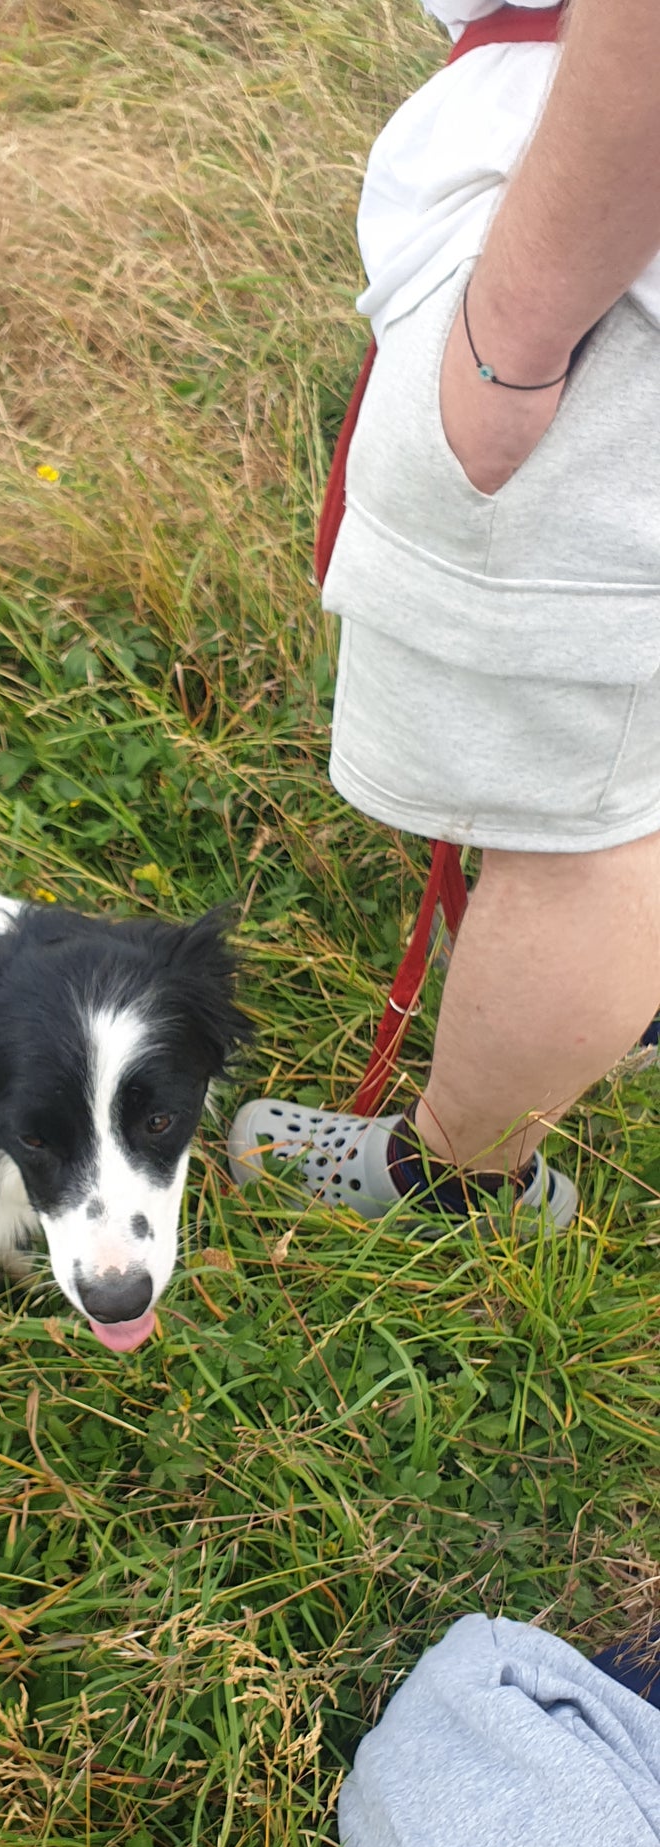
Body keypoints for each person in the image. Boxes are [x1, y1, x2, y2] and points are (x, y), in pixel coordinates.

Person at [229, 0, 660, 1228]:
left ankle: (460, 1177)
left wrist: (514, 340)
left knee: (577, 827)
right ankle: (627, 997)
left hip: (606, 277)